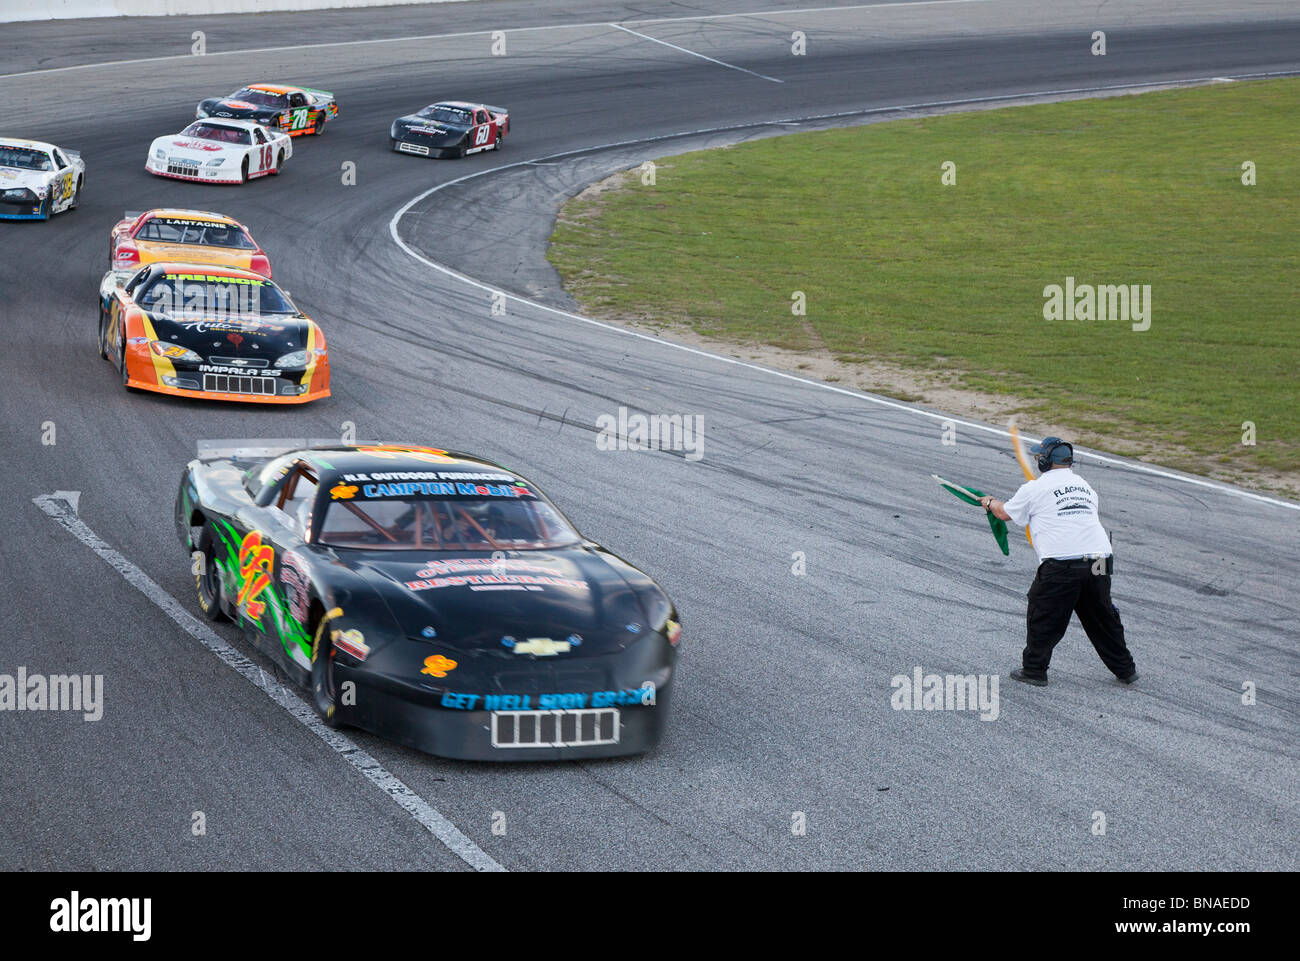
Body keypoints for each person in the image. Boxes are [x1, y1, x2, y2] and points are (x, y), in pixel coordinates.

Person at [979, 437, 1137, 687]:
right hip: (1101, 559)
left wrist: (989, 502)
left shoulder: (1034, 488)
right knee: (1102, 615)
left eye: (1038, 458)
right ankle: (1126, 669)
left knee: (1043, 613)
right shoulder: (1084, 486)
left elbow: (1004, 513)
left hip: (1063, 563)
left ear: (1044, 461)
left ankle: (1034, 670)